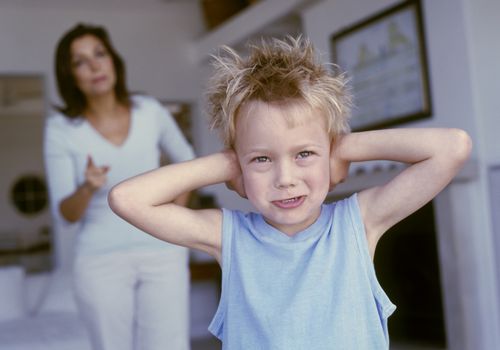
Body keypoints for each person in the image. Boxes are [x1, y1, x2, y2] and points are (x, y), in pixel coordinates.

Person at [108, 36, 472, 349]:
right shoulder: (229, 237)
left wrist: (341, 149)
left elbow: (453, 147)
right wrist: (227, 164)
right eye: (263, 159)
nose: (285, 178)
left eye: (304, 154)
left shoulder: (357, 223)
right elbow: (126, 199)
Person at [43, 23, 195, 350]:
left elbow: (188, 161)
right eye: (80, 61)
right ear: (69, 75)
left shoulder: (149, 110)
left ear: (113, 60)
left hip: (162, 251)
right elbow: (65, 214)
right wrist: (87, 187)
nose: (95, 65)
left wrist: (173, 216)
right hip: (100, 261)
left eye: (100, 54)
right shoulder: (61, 128)